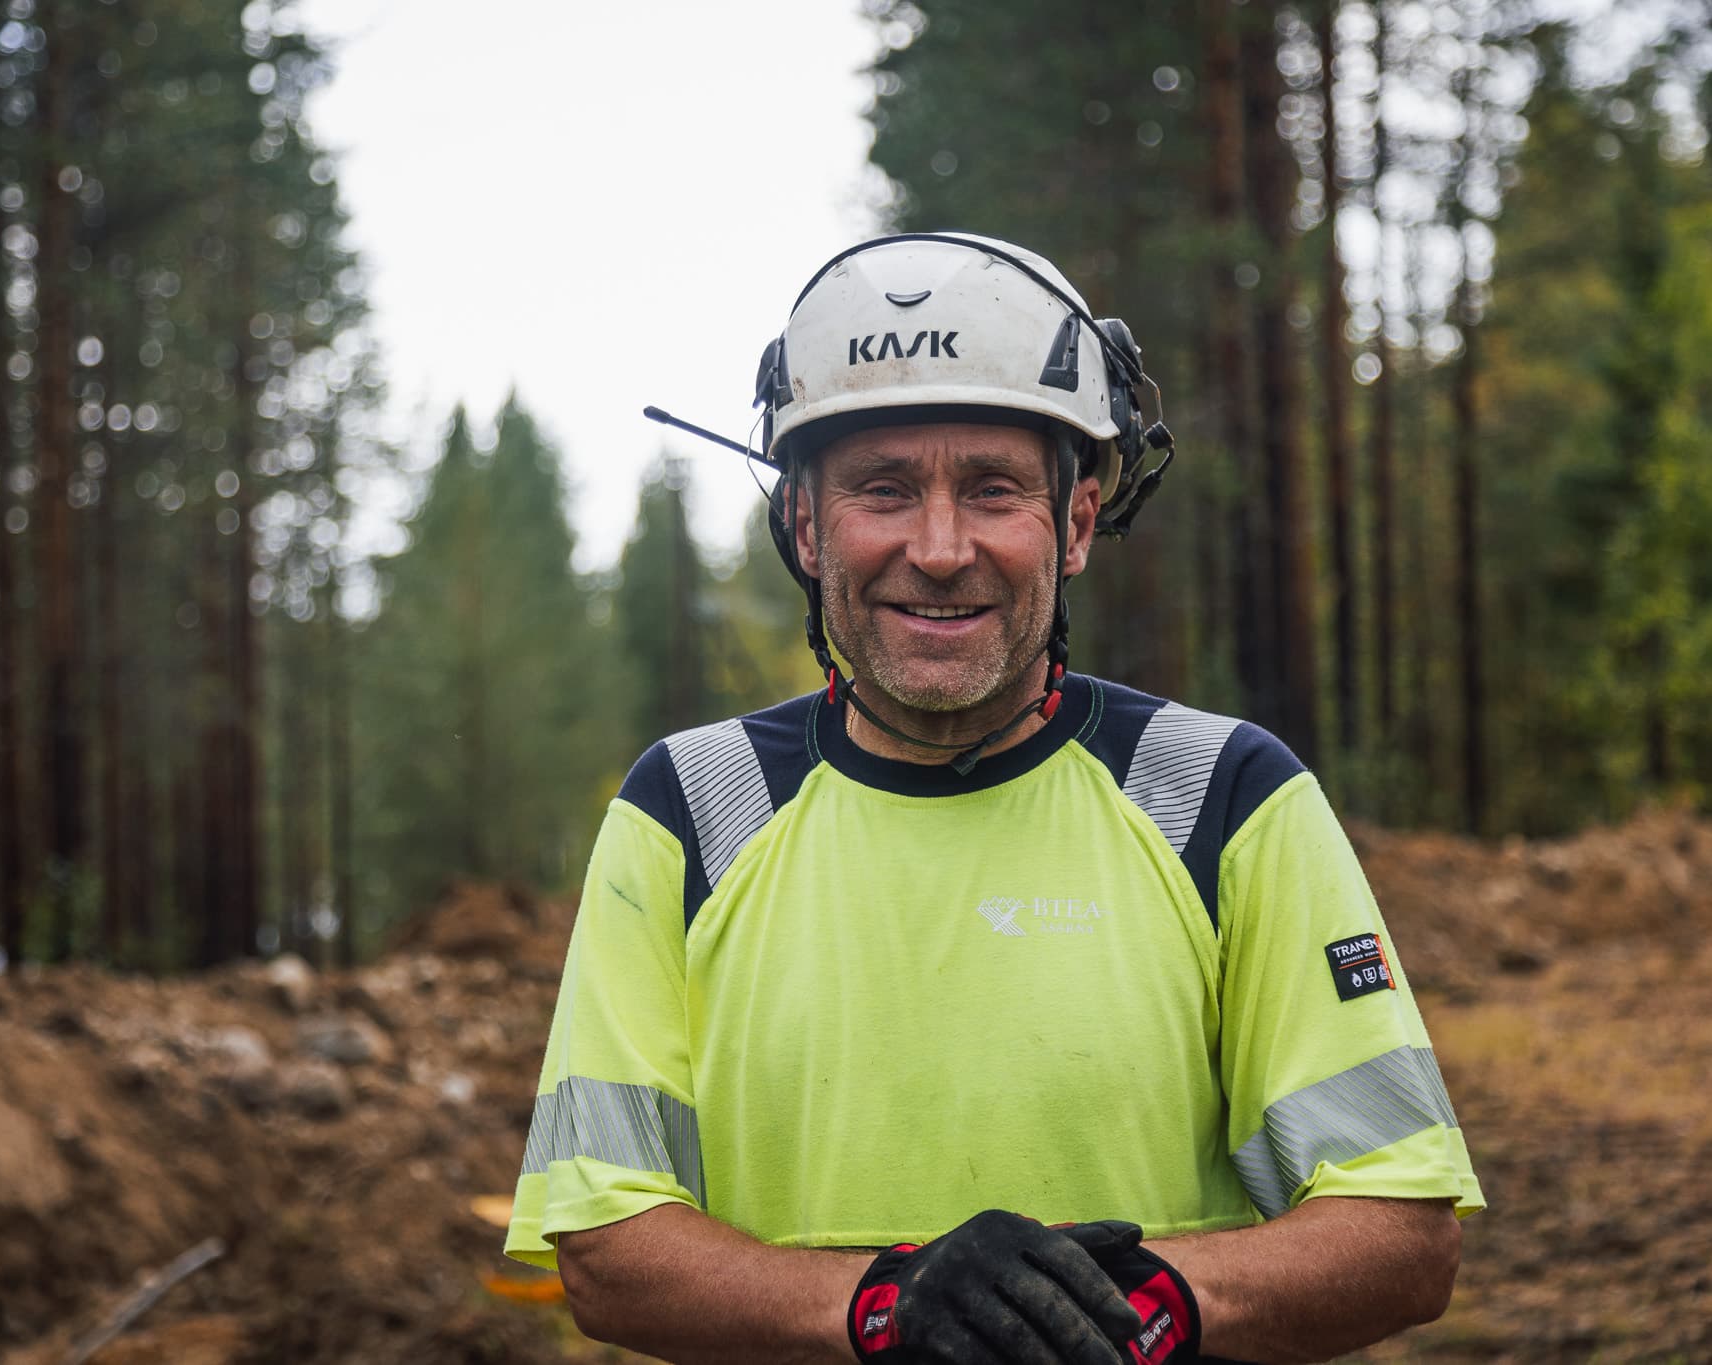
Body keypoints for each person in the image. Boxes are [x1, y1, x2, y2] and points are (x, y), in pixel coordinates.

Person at [505, 233, 1484, 1365]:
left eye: (992, 489)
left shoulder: (1220, 796)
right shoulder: (688, 808)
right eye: (882, 488)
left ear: (1072, 525)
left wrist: (1147, 1307)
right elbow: (605, 1246)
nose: (936, 547)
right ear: (806, 525)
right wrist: (878, 1309)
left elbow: (1402, 1232)